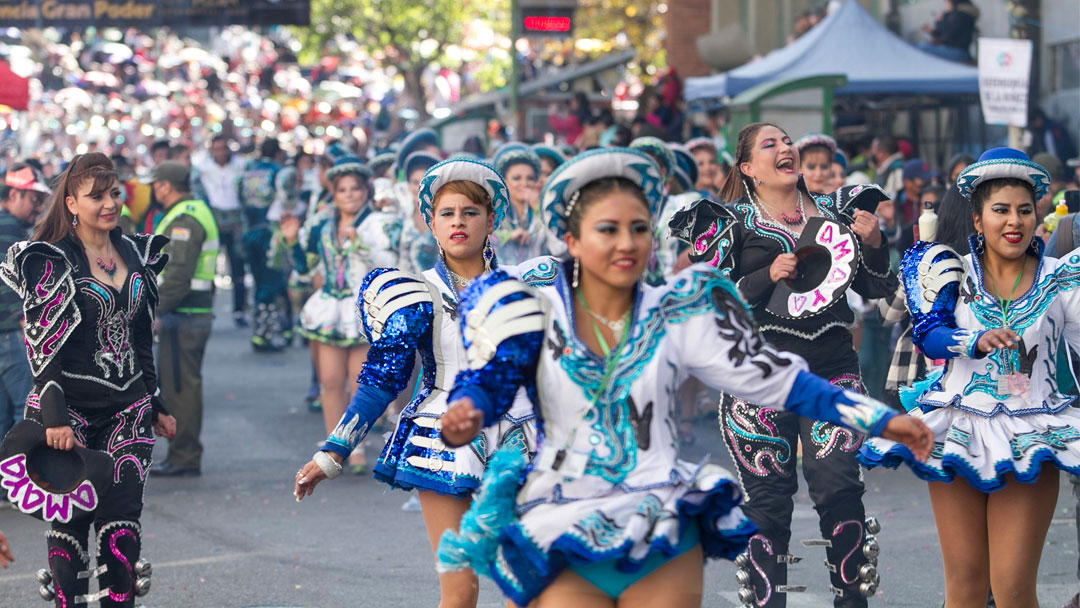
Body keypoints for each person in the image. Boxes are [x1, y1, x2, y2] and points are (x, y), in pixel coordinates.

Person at [433, 147, 932, 608]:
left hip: (659, 529)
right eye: (608, 229)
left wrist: (882, 421)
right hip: (564, 521)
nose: (627, 244)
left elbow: (781, 382)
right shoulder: (537, 312)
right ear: (572, 240)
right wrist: (470, 408)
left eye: (639, 229)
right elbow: (495, 376)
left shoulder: (677, 313)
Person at [292, 158, 551, 608]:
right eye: (447, 213)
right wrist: (333, 452)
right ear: (430, 223)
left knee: (526, 584)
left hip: (521, 439)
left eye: (470, 212)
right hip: (441, 439)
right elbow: (381, 380)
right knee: (459, 590)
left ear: (492, 221)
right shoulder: (413, 294)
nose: (458, 223)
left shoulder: (528, 287)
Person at [668, 123, 899, 607]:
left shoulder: (840, 212)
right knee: (767, 503)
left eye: (788, 141)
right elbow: (707, 303)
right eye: (770, 145)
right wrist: (762, 277)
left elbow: (877, 290)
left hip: (832, 371)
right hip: (758, 379)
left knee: (838, 483)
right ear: (748, 168)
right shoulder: (730, 224)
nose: (786, 149)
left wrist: (875, 243)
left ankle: (850, 600)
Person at [861, 148, 1080, 608]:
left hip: (1031, 432)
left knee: (1013, 589)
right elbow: (928, 334)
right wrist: (973, 340)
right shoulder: (949, 271)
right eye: (1000, 210)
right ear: (978, 220)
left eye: (1024, 209)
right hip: (957, 429)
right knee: (962, 586)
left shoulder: (1062, 279)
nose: (1014, 221)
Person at [0, 152, 177, 605]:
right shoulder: (52, 260)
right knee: (71, 528)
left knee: (123, 527)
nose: (109, 203)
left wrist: (155, 400)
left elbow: (142, 336)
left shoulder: (135, 251)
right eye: (96, 196)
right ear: (72, 204)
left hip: (127, 413)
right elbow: (42, 347)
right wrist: (56, 417)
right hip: (68, 414)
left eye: (114, 193)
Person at [282, 156, 401, 475]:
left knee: (358, 381)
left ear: (366, 192)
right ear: (333, 194)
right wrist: (292, 240)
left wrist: (360, 245)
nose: (349, 194)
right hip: (328, 308)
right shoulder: (321, 223)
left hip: (363, 310)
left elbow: (389, 264)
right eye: (342, 190)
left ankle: (356, 446)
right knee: (330, 382)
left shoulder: (377, 223)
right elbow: (305, 267)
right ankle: (333, 450)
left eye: (355, 189)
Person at [148, 161, 218, 478]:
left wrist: (156, 310)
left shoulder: (184, 218)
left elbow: (176, 276)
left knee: (181, 388)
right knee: (181, 385)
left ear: (164, 185)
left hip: (184, 314)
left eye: (155, 184)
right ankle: (183, 454)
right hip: (188, 313)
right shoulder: (191, 210)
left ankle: (185, 456)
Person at [0, 163, 48, 441]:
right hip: (12, 335)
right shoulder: (8, 226)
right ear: (15, 194)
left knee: (5, 415)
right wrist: (23, 319)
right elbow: (7, 281)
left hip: (5, 334)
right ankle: (22, 481)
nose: (37, 207)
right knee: (25, 413)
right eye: (33, 199)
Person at [195, 135, 248, 327]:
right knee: (210, 266)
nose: (221, 153)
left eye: (223, 148)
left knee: (238, 266)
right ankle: (207, 310)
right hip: (214, 220)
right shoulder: (203, 169)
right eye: (217, 149)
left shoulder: (240, 166)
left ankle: (239, 310)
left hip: (235, 220)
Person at [240, 139, 287, 352]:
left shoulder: (249, 172)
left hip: (250, 232)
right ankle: (264, 334)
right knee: (270, 283)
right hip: (270, 234)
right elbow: (288, 203)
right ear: (277, 153)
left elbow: (241, 200)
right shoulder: (280, 173)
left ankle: (263, 330)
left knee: (259, 283)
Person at [490, 143, 546, 265]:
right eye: (516, 178)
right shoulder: (494, 210)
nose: (524, 183)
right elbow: (482, 237)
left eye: (530, 178)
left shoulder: (542, 210)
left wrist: (538, 207)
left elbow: (557, 244)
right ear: (504, 181)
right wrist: (509, 236)